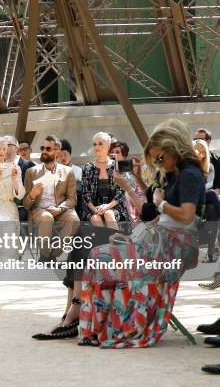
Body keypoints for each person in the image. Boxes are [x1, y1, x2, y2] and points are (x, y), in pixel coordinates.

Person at [79, 119, 205, 348]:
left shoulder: (190, 174)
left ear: (174, 149)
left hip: (173, 247)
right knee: (98, 255)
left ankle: (121, 326)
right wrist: (135, 181)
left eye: (159, 158)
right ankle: (97, 328)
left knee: (109, 259)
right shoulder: (174, 173)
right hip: (159, 239)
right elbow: (150, 212)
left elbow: (186, 215)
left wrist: (162, 203)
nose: (158, 162)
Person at [23, 135, 80, 261]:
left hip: (59, 208)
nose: (44, 151)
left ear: (57, 152)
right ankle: (44, 255)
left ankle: (53, 255)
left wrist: (59, 209)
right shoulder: (31, 172)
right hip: (39, 210)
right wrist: (32, 194)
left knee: (74, 219)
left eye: (48, 149)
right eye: (42, 148)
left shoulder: (68, 171)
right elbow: (26, 204)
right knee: (47, 218)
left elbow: (72, 199)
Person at [81, 132, 129, 230]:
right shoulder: (87, 168)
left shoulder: (117, 167)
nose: (96, 147)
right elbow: (86, 194)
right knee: (95, 218)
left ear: (108, 146)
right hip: (93, 208)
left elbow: (121, 192)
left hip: (114, 206)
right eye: (95, 144)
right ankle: (107, 243)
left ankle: (115, 243)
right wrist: (95, 209)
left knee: (108, 214)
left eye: (100, 143)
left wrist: (107, 206)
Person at [195, 128, 220, 194]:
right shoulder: (190, 158)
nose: (197, 142)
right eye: (195, 139)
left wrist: (216, 193)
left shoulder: (216, 160)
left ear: (208, 141)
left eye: (200, 139)